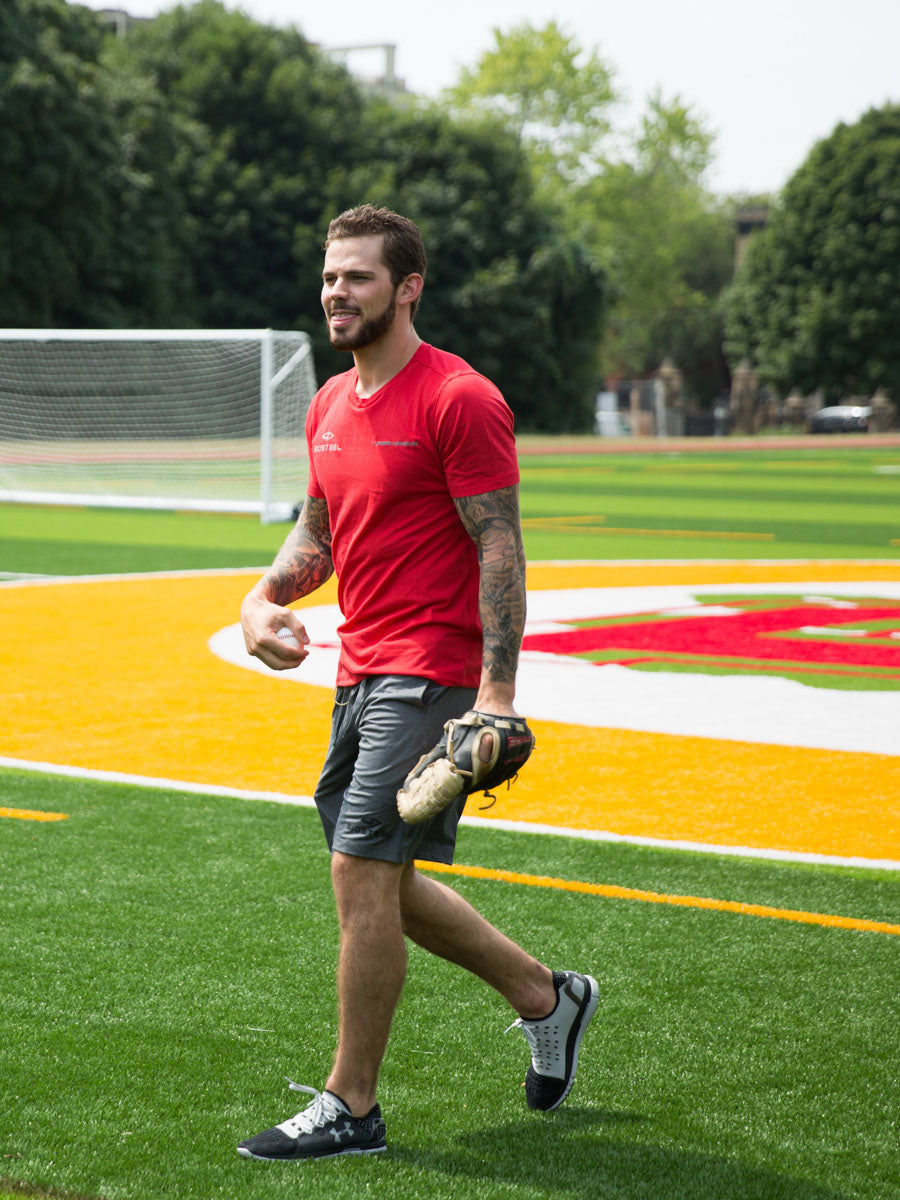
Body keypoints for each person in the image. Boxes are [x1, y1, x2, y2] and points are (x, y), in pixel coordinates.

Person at [237, 205, 597, 1162]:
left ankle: (351, 1106)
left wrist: (498, 694)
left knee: (359, 867)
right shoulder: (326, 403)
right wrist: (263, 597)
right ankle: (545, 995)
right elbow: (318, 535)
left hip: (432, 672)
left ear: (407, 288)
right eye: (328, 278)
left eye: (356, 277)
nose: (335, 294)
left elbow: (500, 544)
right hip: (357, 669)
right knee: (377, 881)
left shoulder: (458, 398)